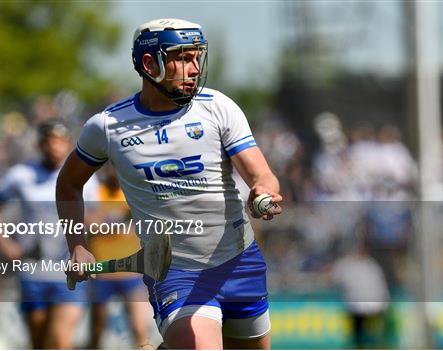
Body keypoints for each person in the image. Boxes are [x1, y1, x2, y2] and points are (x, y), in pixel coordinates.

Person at [56, 18, 282, 349]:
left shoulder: (218, 107)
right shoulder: (106, 127)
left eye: (196, 58)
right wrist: (77, 245)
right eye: (182, 58)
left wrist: (263, 189)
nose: (193, 68)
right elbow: (68, 185)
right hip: (176, 271)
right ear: (150, 64)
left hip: (239, 261)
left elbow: (261, 173)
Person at [0, 120, 99, 349]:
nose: (55, 147)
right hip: (33, 270)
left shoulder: (84, 177)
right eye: (49, 142)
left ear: (68, 145)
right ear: (40, 144)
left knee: (59, 340)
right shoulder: (21, 175)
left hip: (68, 270)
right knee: (38, 342)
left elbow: (95, 218)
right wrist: (5, 244)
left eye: (60, 142)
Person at [88, 166, 153, 349]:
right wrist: (119, 220)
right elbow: (90, 223)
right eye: (111, 169)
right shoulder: (95, 193)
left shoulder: (132, 193)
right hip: (102, 272)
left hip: (131, 272)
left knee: (140, 329)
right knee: (97, 331)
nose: (115, 173)